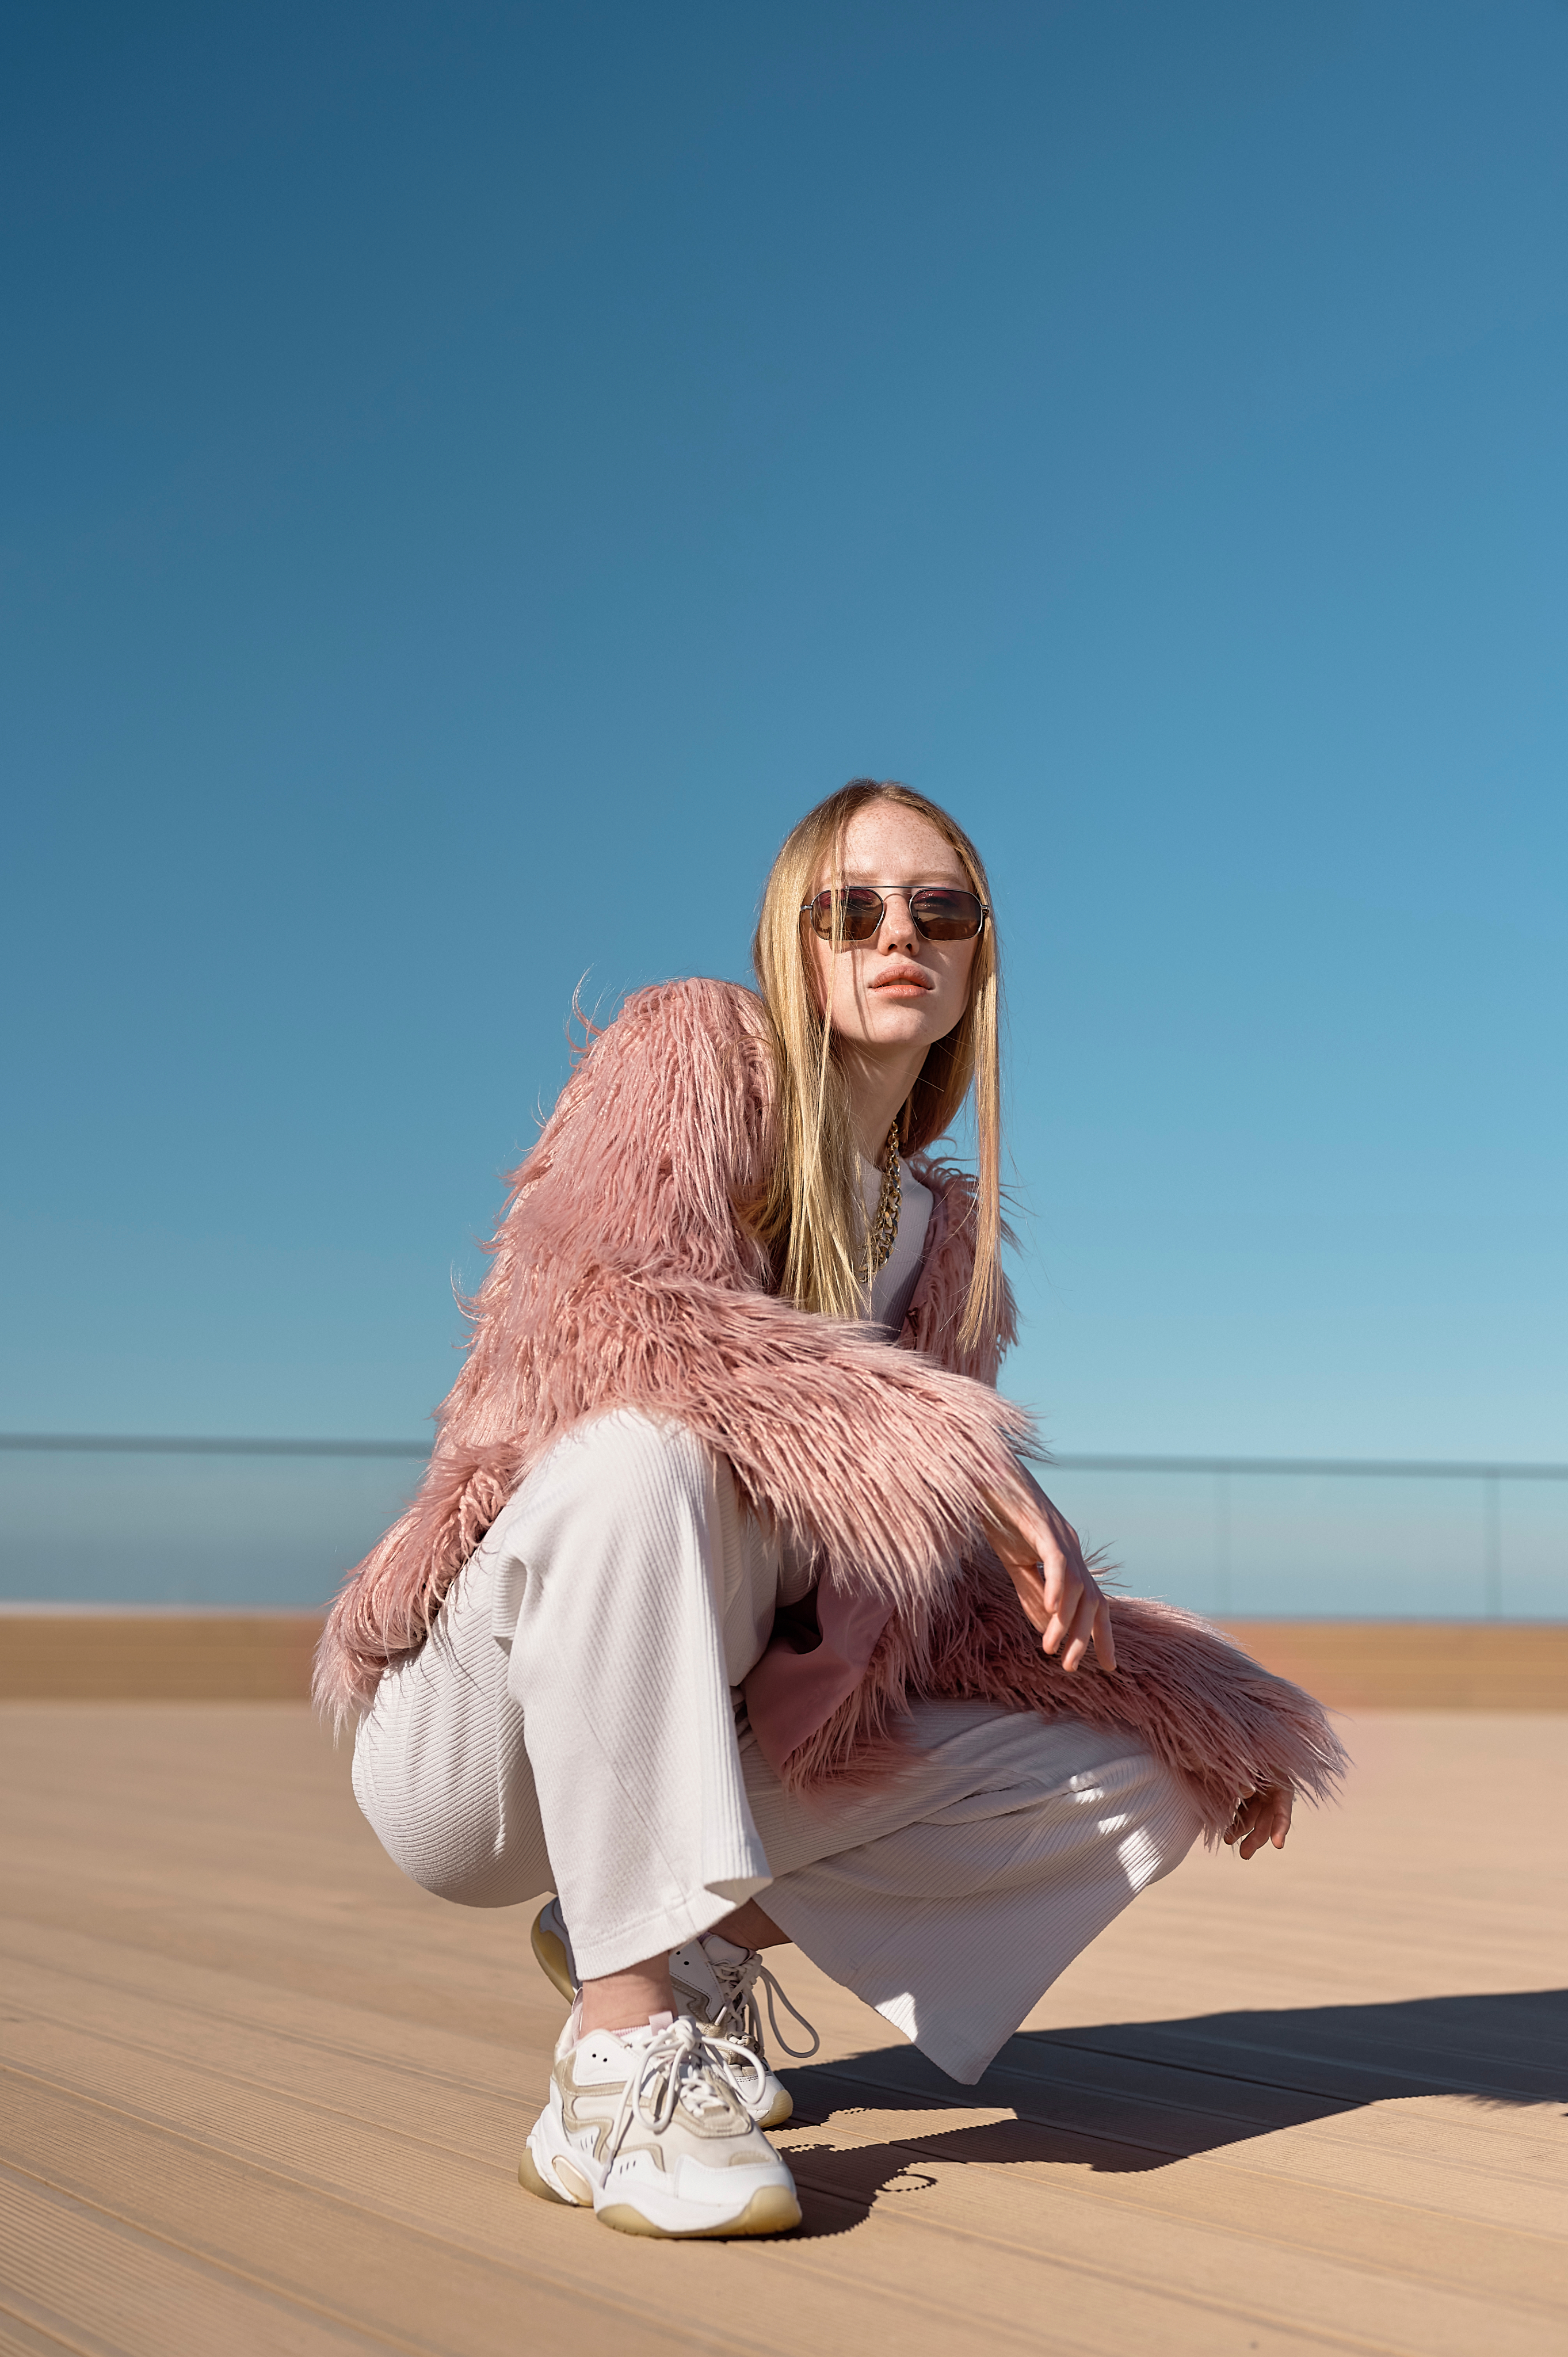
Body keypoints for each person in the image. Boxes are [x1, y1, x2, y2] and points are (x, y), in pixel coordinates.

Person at [318, 779, 1344, 2242]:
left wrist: (1193, 1704)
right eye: (850, 908)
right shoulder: (689, 1053)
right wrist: (952, 1447)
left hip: (714, 1733)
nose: (896, 935)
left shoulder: (945, 1245)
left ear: (979, 954)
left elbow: (919, 1589)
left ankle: (686, 1942)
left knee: (1139, 1774)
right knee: (644, 1456)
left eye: (939, 908)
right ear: (789, 942)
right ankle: (619, 2051)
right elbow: (606, 1320)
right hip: (477, 1749)